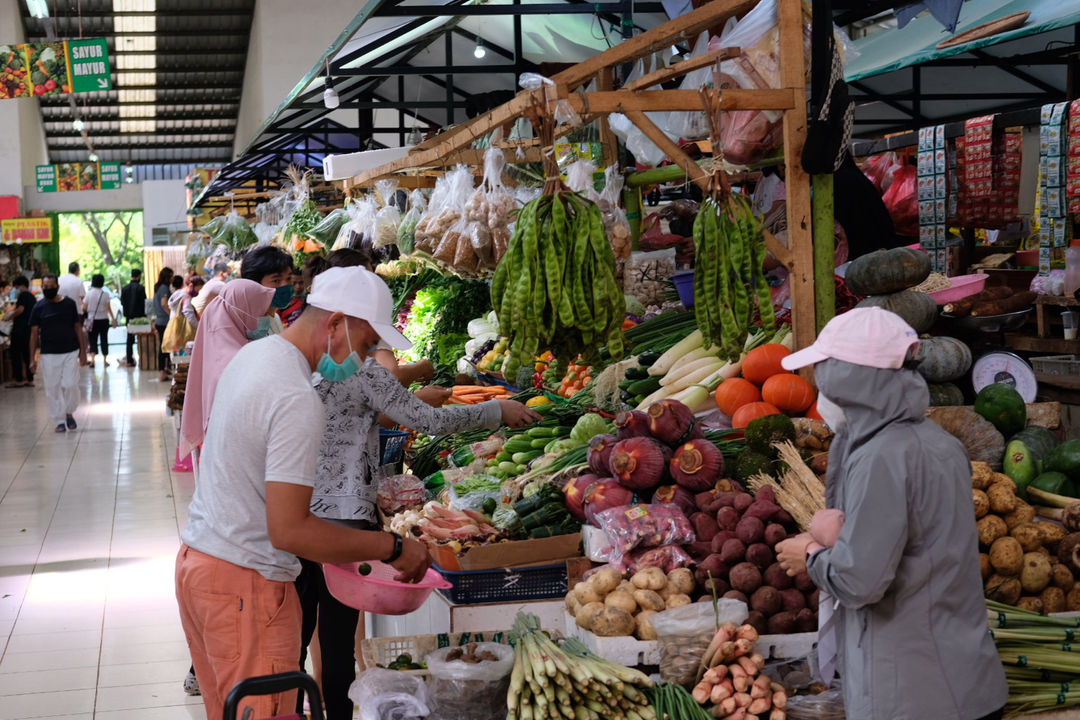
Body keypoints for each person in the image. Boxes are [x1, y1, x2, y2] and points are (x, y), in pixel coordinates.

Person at [175, 266, 432, 720]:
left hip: (202, 565)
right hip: (245, 587)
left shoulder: (255, 356)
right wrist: (391, 547)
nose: (367, 358)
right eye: (368, 343)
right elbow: (291, 529)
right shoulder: (295, 395)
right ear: (335, 324)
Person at [295, 264, 541, 720]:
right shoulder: (363, 372)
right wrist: (495, 411)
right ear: (342, 322)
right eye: (371, 340)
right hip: (345, 520)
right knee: (336, 637)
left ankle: (295, 709)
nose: (373, 350)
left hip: (295, 517)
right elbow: (429, 422)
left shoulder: (297, 365)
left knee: (295, 635)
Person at [773, 307, 1007, 720]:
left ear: (849, 380)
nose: (819, 386)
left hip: (916, 694)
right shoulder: (938, 441)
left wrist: (810, 555)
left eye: (824, 370)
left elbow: (860, 581)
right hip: (963, 678)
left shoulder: (881, 457)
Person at [178, 280, 276, 461]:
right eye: (262, 312)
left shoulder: (221, 345)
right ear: (242, 312)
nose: (268, 317)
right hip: (238, 459)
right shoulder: (236, 361)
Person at [29, 274, 88, 432]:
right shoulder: (38, 307)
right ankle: (60, 419)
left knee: (70, 384)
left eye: (51, 286)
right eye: (45, 287)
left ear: (58, 286)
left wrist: (83, 352)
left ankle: (69, 412)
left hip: (70, 350)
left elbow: (78, 328)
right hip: (49, 353)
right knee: (52, 387)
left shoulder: (69, 304)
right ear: (42, 288)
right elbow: (34, 333)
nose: (48, 289)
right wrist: (32, 359)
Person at [240, 245, 295, 338]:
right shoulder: (250, 327)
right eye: (276, 280)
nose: (286, 285)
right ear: (254, 284)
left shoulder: (275, 318)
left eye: (289, 278)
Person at [3, 276, 36, 387]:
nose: (15, 289)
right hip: (28, 328)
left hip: (20, 329)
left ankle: (19, 379)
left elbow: (20, 309)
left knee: (16, 353)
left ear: (20, 285)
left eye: (16, 286)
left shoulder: (23, 295)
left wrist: (9, 317)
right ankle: (29, 378)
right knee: (27, 353)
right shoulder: (32, 296)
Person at [83, 274, 117, 366]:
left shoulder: (89, 294)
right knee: (104, 339)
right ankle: (105, 360)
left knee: (92, 339)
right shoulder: (105, 294)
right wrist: (113, 319)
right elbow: (108, 308)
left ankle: (93, 360)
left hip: (92, 320)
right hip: (104, 319)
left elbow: (84, 307)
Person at [120, 269, 147, 367]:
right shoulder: (141, 288)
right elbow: (144, 303)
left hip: (129, 317)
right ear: (139, 276)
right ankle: (143, 359)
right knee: (142, 338)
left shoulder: (124, 289)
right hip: (140, 318)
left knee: (129, 339)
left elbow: (122, 302)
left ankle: (129, 360)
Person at [153, 267, 175, 381]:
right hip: (164, 321)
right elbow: (164, 304)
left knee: (164, 346)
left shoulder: (158, 287)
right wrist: (172, 315)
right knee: (164, 347)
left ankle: (165, 369)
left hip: (159, 321)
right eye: (171, 276)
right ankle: (162, 371)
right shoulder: (164, 288)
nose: (172, 278)